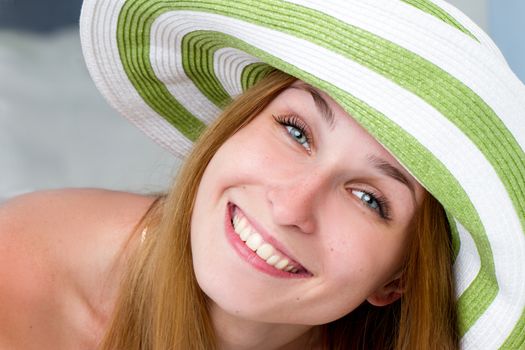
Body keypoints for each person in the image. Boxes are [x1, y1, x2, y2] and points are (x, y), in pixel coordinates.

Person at [0, 0, 524, 349]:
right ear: (235, 125)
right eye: (296, 132)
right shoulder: (19, 283)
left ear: (398, 278)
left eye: (369, 198)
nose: (292, 206)